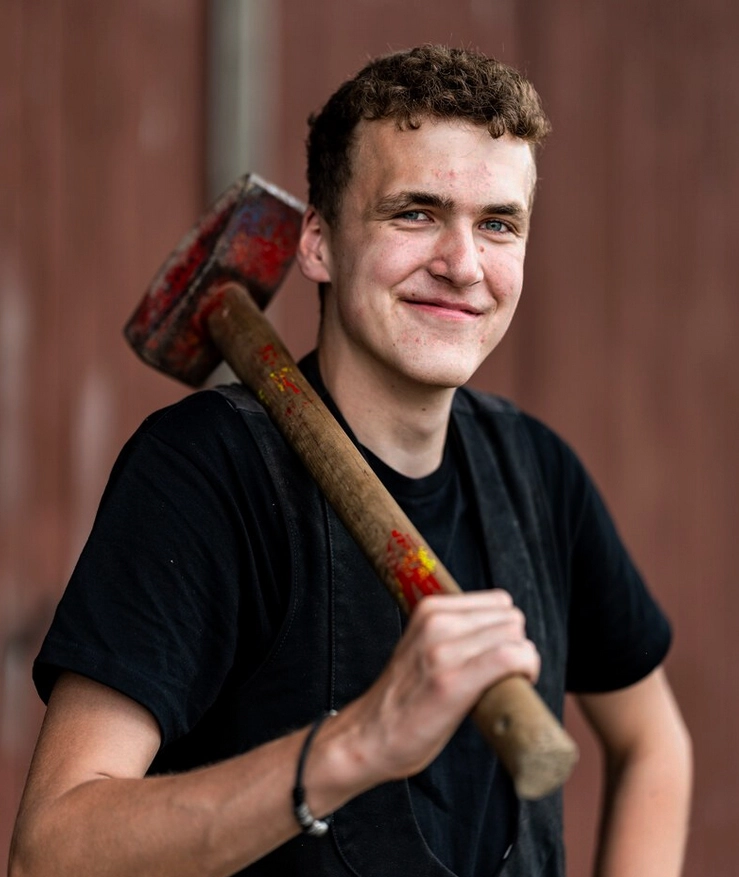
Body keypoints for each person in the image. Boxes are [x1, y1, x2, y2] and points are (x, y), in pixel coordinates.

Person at [9, 45, 691, 877]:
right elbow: (50, 851)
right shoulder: (204, 472)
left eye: (498, 223)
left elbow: (655, 741)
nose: (463, 264)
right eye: (414, 212)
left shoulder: (536, 474)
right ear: (319, 242)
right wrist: (357, 742)